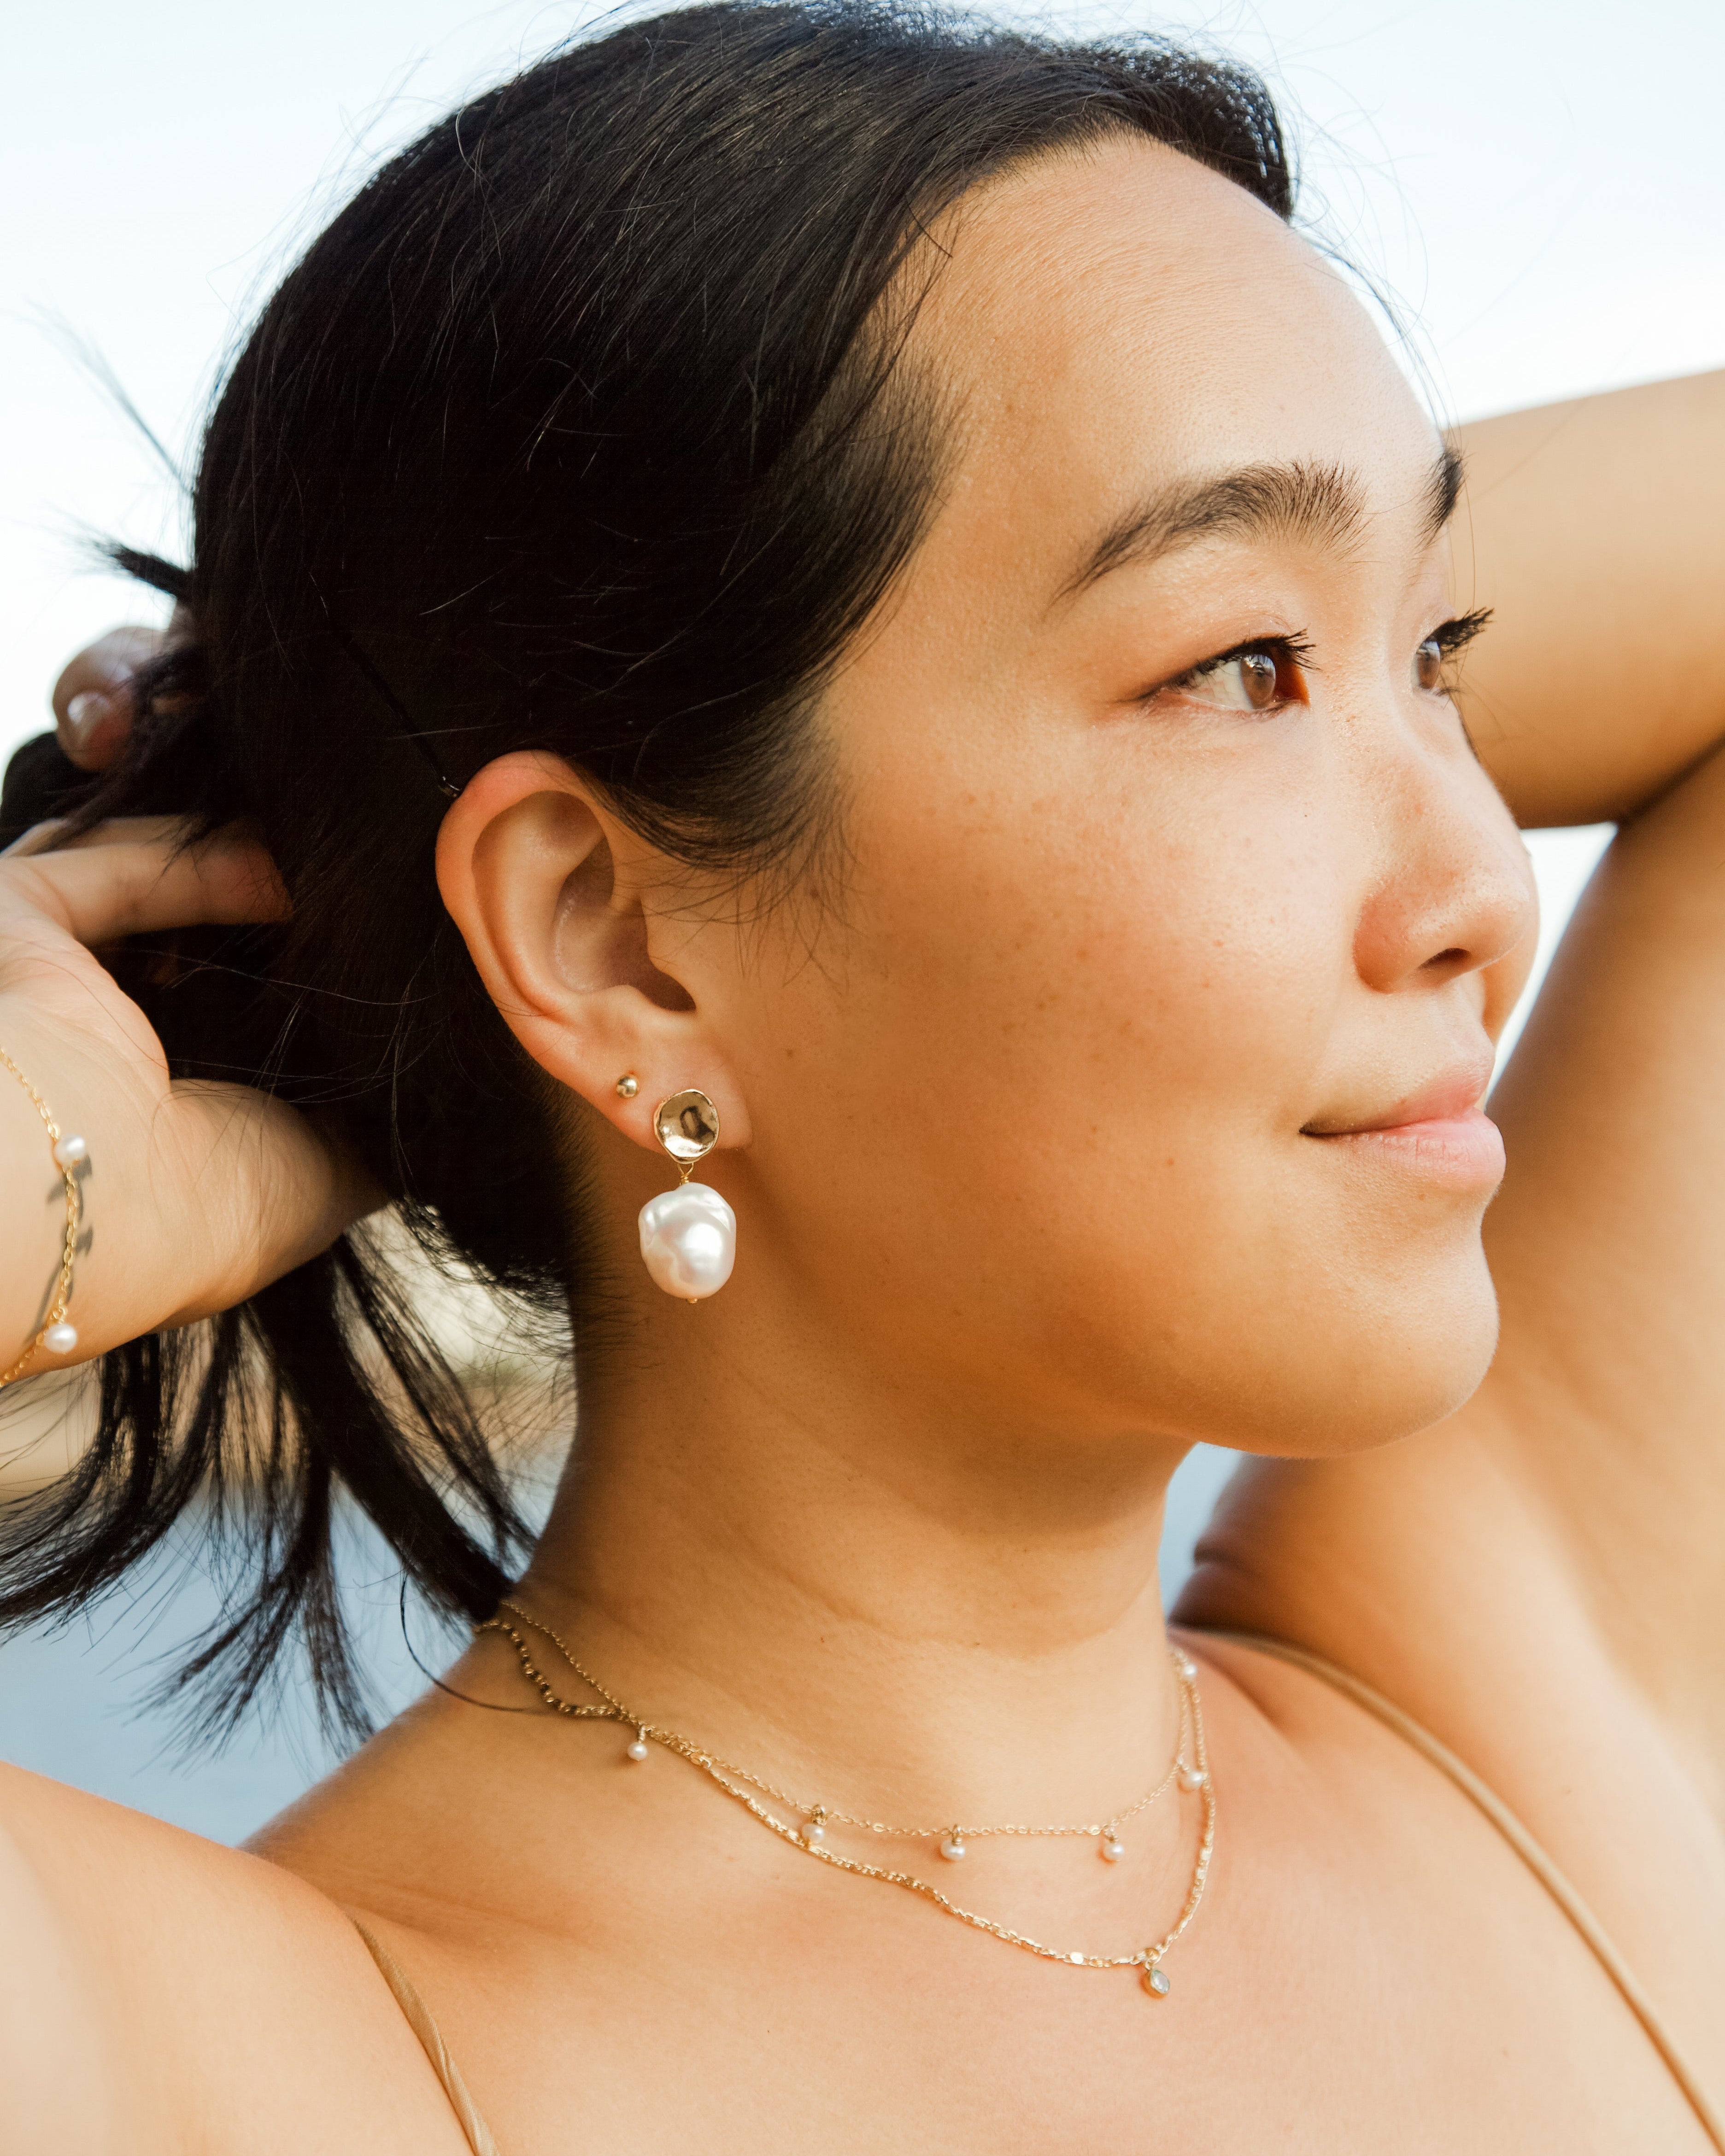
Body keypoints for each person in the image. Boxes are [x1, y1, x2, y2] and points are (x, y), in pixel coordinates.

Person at [2, 3, 1722, 2147]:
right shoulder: (217, 2059)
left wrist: (358, 704)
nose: (1482, 886)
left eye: (1441, 658)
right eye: (1239, 673)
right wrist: (45, 1185)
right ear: (612, 936)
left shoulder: (1524, 1745)